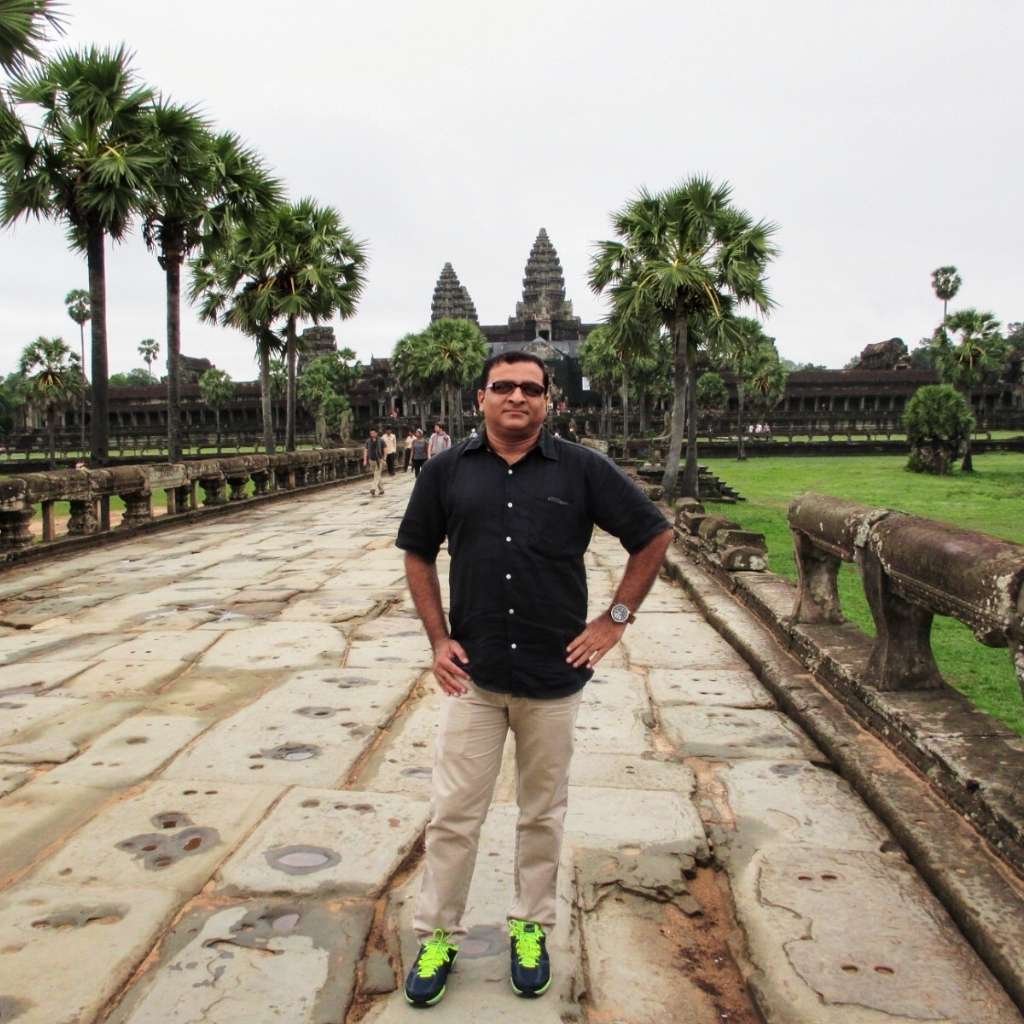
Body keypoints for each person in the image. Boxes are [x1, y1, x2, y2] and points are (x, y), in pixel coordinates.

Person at [396, 351, 673, 1008]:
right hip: (477, 677)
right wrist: (438, 639)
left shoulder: (582, 470)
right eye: (503, 387)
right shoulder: (446, 471)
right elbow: (416, 552)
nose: (516, 397)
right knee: (454, 814)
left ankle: (531, 927)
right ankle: (438, 934)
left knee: (542, 813)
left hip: (554, 675)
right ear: (480, 398)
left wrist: (615, 620)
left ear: (550, 402)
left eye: (530, 388)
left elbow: (654, 536)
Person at [363, 428, 386, 497]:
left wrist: (384, 458)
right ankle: (381, 490)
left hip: (379, 460)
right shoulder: (368, 441)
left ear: (376, 433)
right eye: (371, 433)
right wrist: (365, 460)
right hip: (371, 460)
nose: (372, 434)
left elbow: (385, 449)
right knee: (377, 475)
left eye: (373, 433)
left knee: (376, 474)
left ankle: (373, 488)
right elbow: (365, 451)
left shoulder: (381, 440)